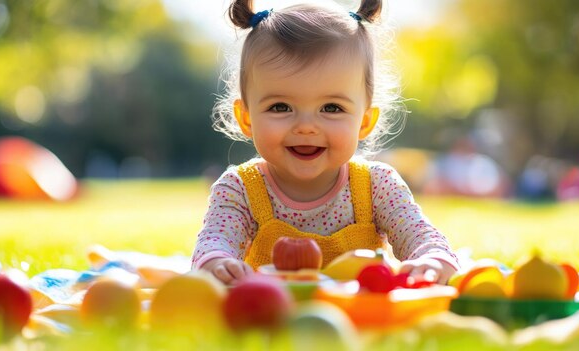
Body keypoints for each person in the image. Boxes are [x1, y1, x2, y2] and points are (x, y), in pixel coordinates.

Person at [191, 0, 459, 285]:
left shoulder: (376, 186)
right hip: (271, 315)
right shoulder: (240, 189)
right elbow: (213, 242)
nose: (306, 127)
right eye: (280, 107)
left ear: (364, 122)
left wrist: (431, 259)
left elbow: (419, 235)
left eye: (331, 108)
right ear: (246, 118)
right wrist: (216, 263)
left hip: (360, 317)